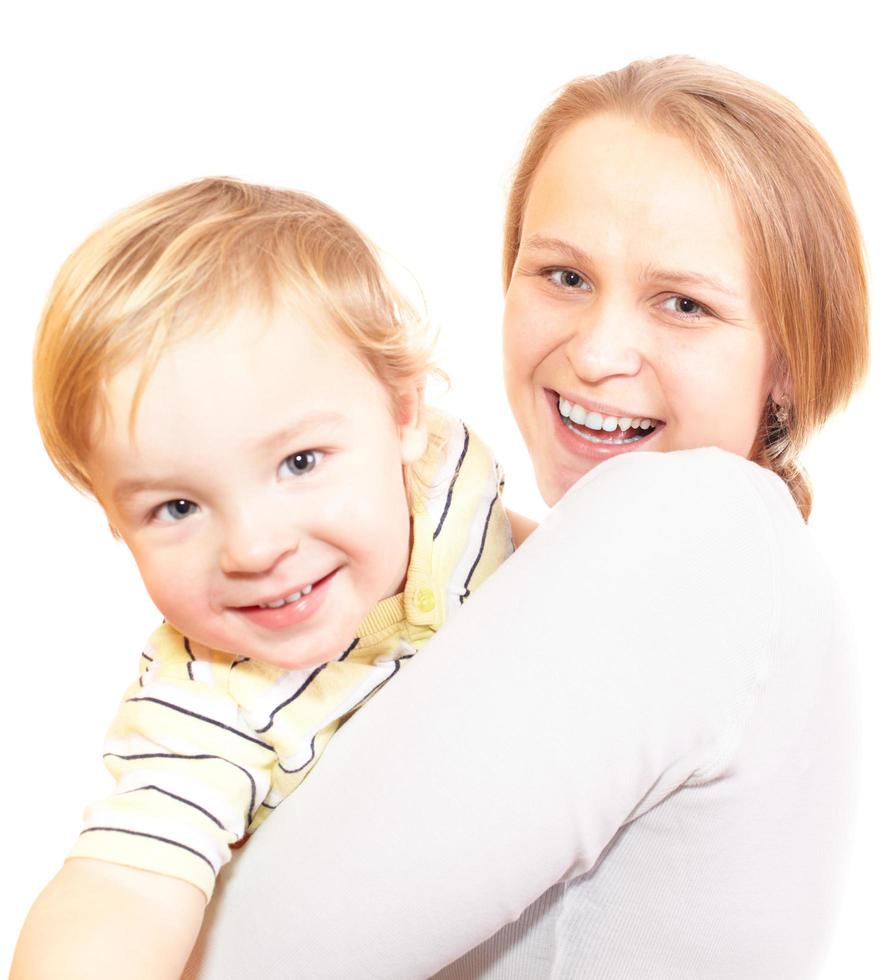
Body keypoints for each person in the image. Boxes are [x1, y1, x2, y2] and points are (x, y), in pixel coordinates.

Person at [182, 57, 870, 979]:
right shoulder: (541, 579)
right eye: (563, 275)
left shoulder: (693, 522)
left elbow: (251, 961)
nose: (596, 353)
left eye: (684, 303)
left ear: (787, 365)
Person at [10, 178, 515, 978]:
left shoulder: (451, 475)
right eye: (177, 507)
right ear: (114, 518)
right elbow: (125, 885)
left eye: (299, 463)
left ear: (402, 416)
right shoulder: (207, 700)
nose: (251, 547)